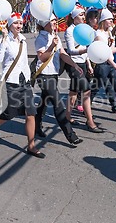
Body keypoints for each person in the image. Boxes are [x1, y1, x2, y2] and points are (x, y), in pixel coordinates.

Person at [0, 12, 45, 158]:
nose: (18, 25)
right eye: (15, 23)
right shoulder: (5, 40)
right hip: (11, 82)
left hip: (24, 82)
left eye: (20, 23)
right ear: (9, 25)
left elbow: (24, 62)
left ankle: (31, 146)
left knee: (31, 113)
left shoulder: (23, 41)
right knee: (9, 114)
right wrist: (4, 38)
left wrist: (31, 76)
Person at [34, 14, 84, 145]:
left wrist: (74, 64)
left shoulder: (54, 37)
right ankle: (70, 135)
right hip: (44, 75)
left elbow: (62, 53)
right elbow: (42, 58)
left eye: (55, 20)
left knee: (44, 102)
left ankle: (35, 125)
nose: (55, 22)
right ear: (44, 23)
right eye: (52, 20)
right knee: (58, 104)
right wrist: (51, 46)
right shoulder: (40, 39)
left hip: (54, 74)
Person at [64, 5, 105, 133]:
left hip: (82, 63)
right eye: (80, 15)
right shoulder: (70, 31)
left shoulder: (84, 29)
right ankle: (90, 121)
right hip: (73, 64)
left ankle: (67, 116)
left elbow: (86, 45)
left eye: (83, 14)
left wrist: (88, 63)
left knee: (73, 92)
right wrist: (87, 50)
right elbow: (71, 50)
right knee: (86, 91)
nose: (83, 17)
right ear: (74, 17)